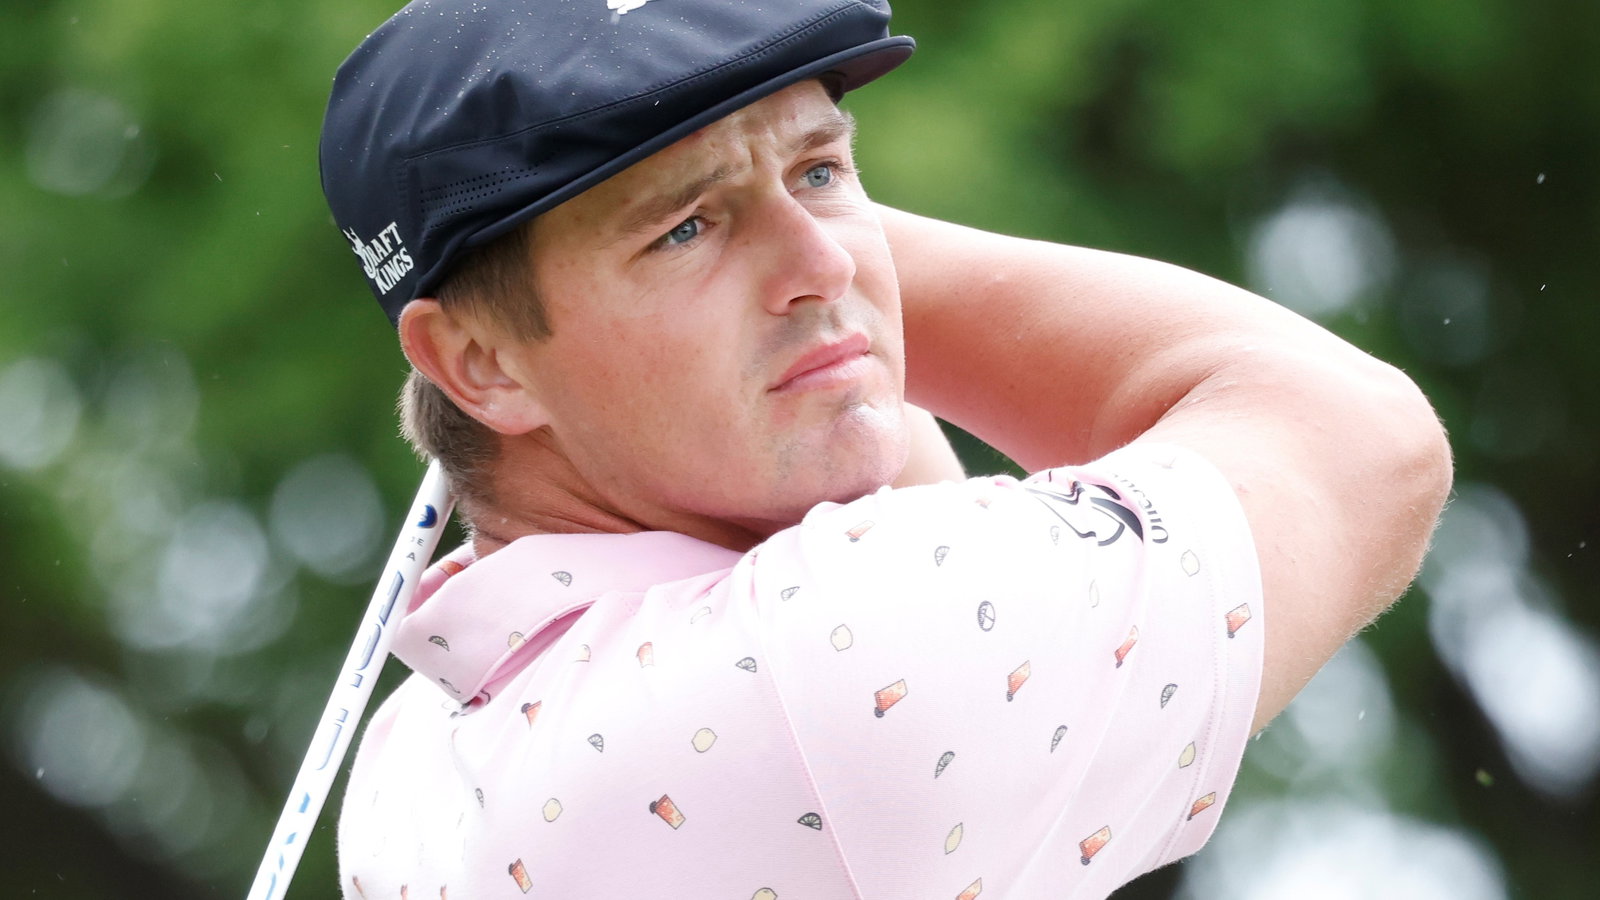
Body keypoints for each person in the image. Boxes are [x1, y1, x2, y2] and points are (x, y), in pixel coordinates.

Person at [318, 0, 1452, 897]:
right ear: (480, 365)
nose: (825, 261)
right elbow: (1361, 440)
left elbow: (883, 486)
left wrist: (759, 251)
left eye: (823, 170)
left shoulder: (409, 762)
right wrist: (834, 263)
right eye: (683, 227)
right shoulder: (829, 659)